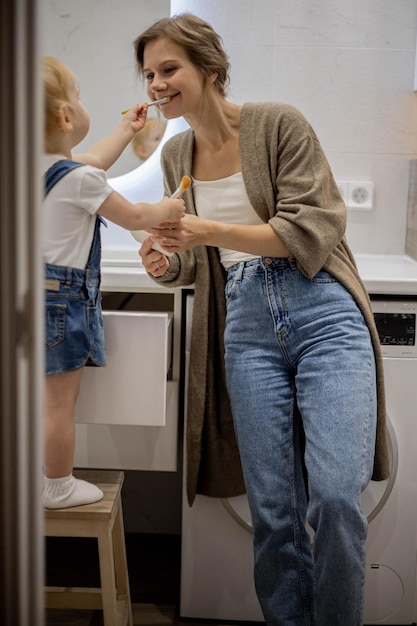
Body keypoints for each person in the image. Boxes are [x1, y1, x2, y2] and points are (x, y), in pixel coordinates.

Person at [133, 14, 390, 626]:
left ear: (210, 69)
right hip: (245, 329)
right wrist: (162, 260)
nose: (156, 85)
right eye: (148, 74)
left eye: (169, 69)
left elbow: (315, 226)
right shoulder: (176, 154)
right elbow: (197, 263)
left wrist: (207, 229)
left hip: (323, 311)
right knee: (274, 510)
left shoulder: (277, 123)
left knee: (334, 497)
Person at [42, 56, 185, 510]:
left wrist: (128, 129)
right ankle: (58, 485)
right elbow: (133, 216)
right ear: (66, 116)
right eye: (79, 98)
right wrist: (168, 208)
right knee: (59, 406)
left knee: (30, 403)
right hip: (59, 305)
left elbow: (94, 160)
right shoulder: (79, 178)